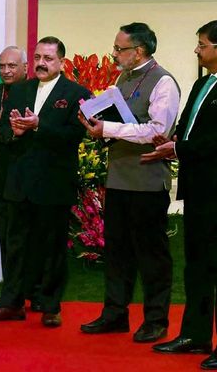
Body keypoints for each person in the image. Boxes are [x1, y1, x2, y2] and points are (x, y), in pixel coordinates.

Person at [143, 19, 217, 369]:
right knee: (197, 267)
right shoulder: (201, 83)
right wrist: (172, 141)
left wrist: (179, 149)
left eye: (202, 44)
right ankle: (195, 335)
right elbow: (190, 129)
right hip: (200, 190)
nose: (197, 49)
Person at [0, 37, 90, 327]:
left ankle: (50, 306)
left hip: (54, 184)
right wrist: (14, 132)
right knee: (15, 247)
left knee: (52, 248)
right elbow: (2, 132)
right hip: (18, 183)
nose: (41, 63)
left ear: (62, 62)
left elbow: (75, 136)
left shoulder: (77, 94)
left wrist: (39, 126)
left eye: (48, 58)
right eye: (38, 57)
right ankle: (11, 303)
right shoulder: (19, 90)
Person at [78, 23, 180, 343]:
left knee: (151, 254)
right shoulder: (123, 79)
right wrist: (97, 123)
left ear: (139, 51)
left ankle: (156, 319)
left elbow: (157, 130)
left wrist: (107, 129)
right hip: (120, 177)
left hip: (147, 181)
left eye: (119, 49)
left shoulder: (163, 81)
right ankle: (115, 314)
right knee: (117, 251)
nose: (114, 54)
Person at [0, 46, 36, 309]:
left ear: (25, 67)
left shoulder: (36, 92)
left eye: (12, 66)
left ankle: (37, 293)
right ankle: (11, 293)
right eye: (2, 66)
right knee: (6, 237)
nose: (6, 71)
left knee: (32, 238)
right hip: (3, 177)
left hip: (32, 177)